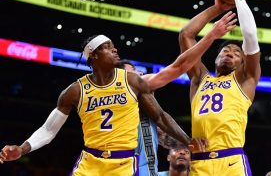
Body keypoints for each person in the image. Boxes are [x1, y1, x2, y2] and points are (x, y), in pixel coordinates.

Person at [0, 35, 205, 175]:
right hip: (91, 161)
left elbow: (160, 116)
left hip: (123, 163)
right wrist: (22, 149)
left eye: (113, 45)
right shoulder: (75, 91)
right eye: (107, 46)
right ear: (94, 56)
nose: (114, 49)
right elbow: (48, 130)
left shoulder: (131, 81)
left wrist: (187, 140)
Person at [115, 11, 238, 176]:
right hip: (123, 165)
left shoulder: (141, 101)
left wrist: (187, 143)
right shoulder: (129, 93)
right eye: (134, 73)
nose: (140, 75)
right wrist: (212, 33)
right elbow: (179, 65)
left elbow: (161, 123)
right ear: (120, 78)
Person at [179, 0, 260, 175]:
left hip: (230, 160)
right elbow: (186, 35)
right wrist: (216, 8)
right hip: (199, 162)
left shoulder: (245, 79)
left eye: (236, 53)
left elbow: (250, 37)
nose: (230, 53)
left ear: (243, 62)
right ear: (215, 58)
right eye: (225, 51)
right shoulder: (199, 79)